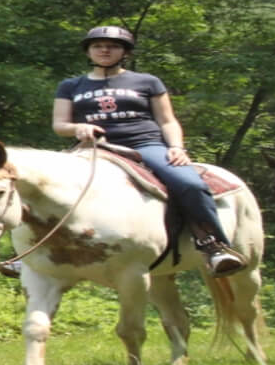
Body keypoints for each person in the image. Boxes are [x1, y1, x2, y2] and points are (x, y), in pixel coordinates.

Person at [50, 25, 247, 276]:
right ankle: (32, 251)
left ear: (125, 52)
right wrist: (77, 127)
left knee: (190, 184)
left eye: (112, 46)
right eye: (98, 46)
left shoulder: (147, 81)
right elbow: (59, 125)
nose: (104, 50)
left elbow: (167, 120)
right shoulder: (71, 85)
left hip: (145, 145)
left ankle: (213, 246)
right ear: (88, 52)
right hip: (95, 147)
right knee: (43, 184)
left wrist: (176, 147)